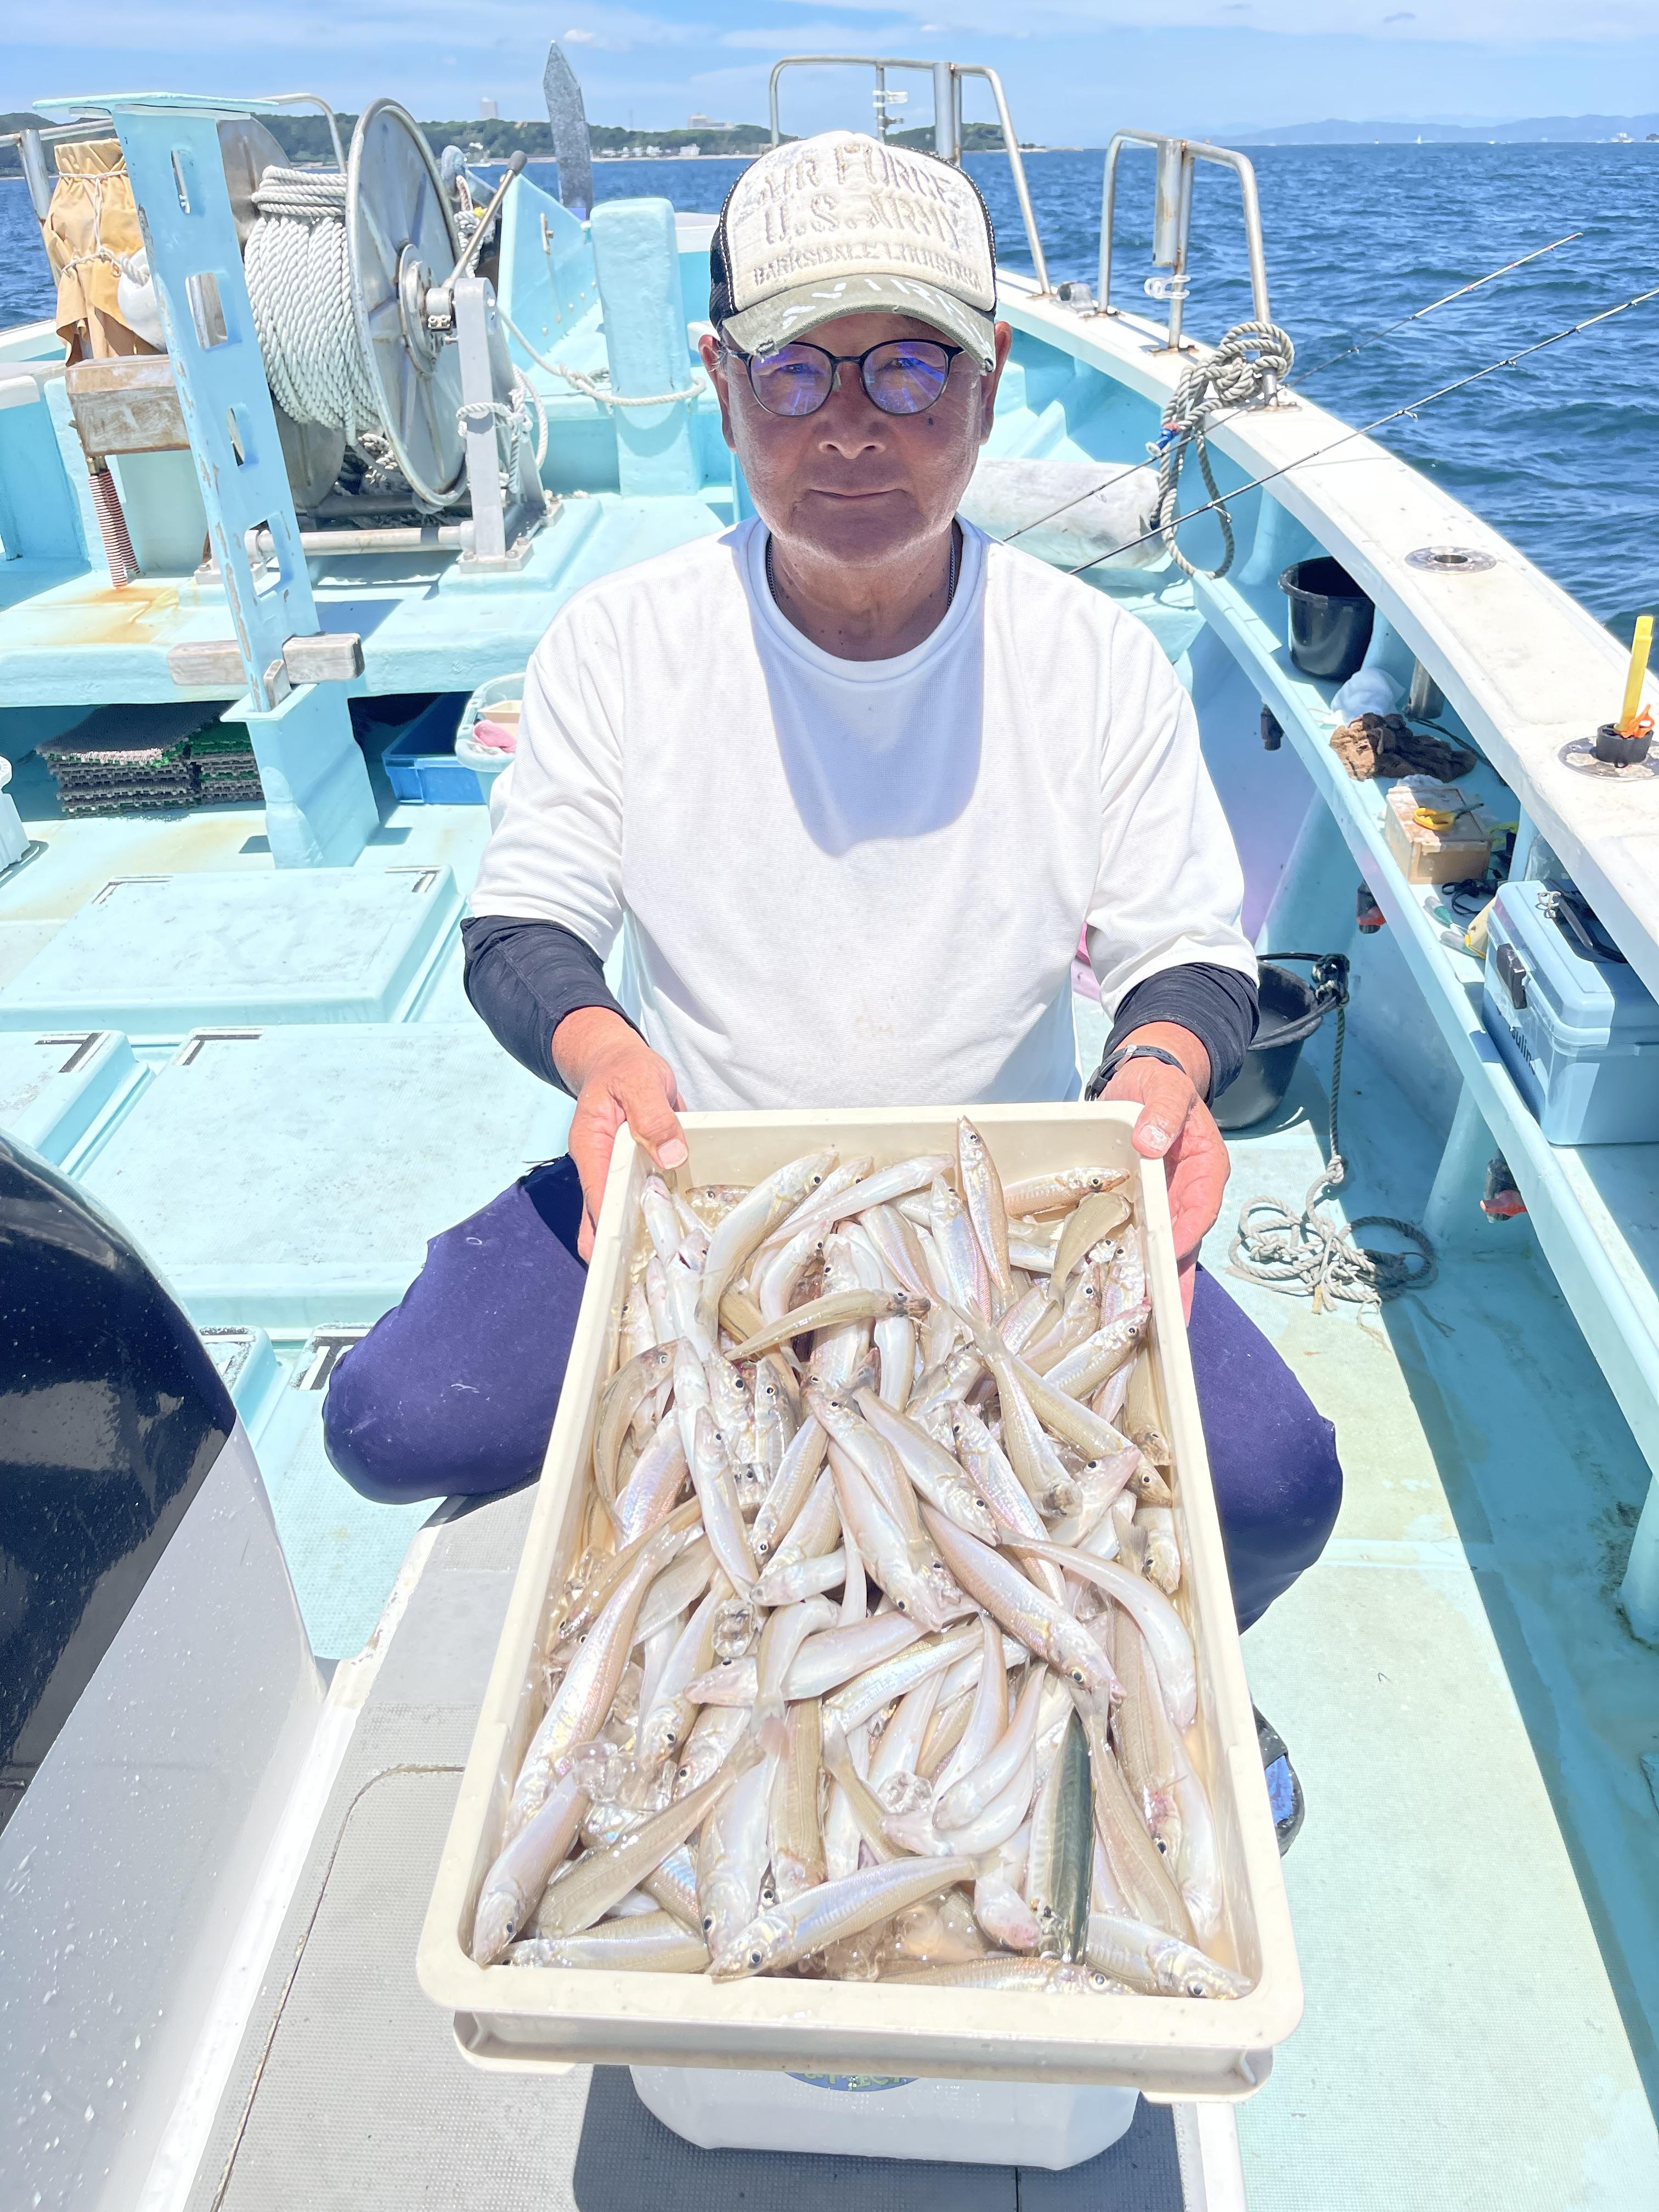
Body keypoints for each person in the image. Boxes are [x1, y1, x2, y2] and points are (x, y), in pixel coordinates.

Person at [323, 132, 1338, 1839]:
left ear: (992, 383)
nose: (852, 423)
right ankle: (729, 1624)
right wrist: (599, 1053)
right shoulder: (624, 646)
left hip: (999, 1196)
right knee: (395, 1417)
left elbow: (1184, 948)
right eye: (796, 367)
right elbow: (526, 926)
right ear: (722, 386)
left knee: (1273, 1486)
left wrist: (1161, 1073)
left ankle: (1131, 1662)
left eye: (909, 362)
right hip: (698, 1177)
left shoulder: (1089, 661)